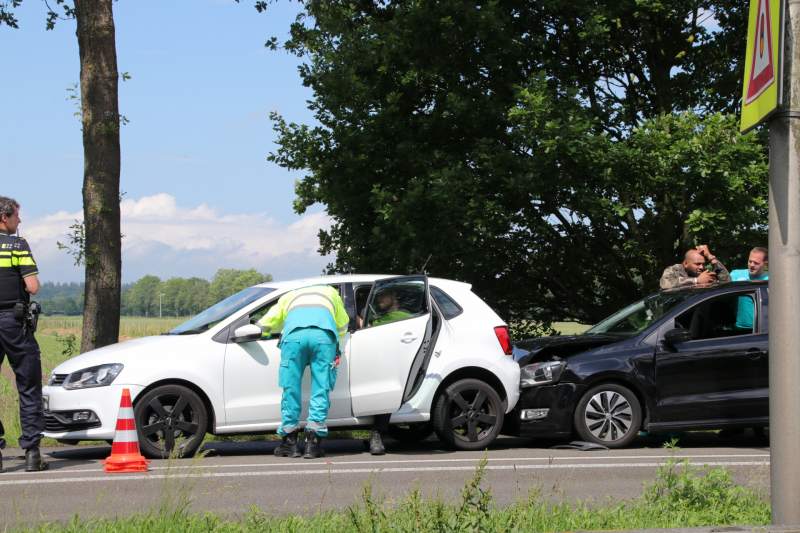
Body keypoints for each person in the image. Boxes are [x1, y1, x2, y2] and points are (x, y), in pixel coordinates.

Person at [258, 284, 349, 459]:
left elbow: (266, 323)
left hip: (293, 339)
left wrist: (265, 332)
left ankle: (290, 444)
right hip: (323, 338)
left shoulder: (289, 295)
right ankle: (313, 445)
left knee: (290, 388)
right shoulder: (331, 292)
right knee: (321, 388)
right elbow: (343, 326)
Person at [0, 197, 48, 472]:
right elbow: (33, 287)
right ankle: (31, 453)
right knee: (28, 386)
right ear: (4, 217)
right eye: (16, 215)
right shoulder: (17, 245)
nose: (19, 220)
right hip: (13, 322)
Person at [359, 286, 413, 455]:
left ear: (394, 294)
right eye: (378, 296)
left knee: (383, 386)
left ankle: (378, 434)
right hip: (380, 365)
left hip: (392, 371)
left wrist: (358, 321)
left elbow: (369, 333)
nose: (379, 299)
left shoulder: (400, 317)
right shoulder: (384, 318)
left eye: (383, 295)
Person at [729, 247, 769, 332]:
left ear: (766, 264)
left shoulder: (773, 279)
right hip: (739, 328)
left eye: (756, 263)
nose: (751, 265)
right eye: (750, 261)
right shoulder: (737, 275)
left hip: (765, 329)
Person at [659, 245, 731, 290]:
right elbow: (664, 284)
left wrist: (710, 256)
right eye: (698, 264)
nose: (701, 267)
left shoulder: (704, 273)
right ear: (686, 263)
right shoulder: (674, 270)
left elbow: (727, 281)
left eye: (703, 264)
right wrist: (696, 281)